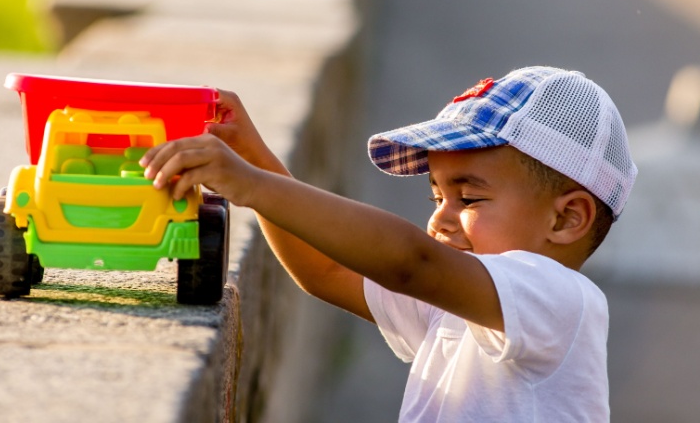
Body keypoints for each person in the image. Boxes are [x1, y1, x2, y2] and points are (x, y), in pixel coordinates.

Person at [139, 66, 637, 421]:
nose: (441, 218)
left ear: (568, 217)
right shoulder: (462, 308)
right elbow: (326, 271)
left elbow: (409, 262)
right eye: (437, 194)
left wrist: (253, 185)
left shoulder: (561, 303)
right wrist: (255, 159)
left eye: (469, 197)